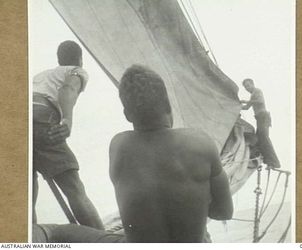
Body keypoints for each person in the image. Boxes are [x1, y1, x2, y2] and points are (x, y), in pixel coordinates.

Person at [32, 65, 233, 243]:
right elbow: (224, 211)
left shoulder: (119, 145)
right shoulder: (201, 142)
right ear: (168, 106)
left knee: (56, 232)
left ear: (127, 115)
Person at [32, 40, 104, 230]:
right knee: (74, 189)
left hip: (15, 120)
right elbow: (68, 88)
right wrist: (67, 120)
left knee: (26, 195)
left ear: (58, 60)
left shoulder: (41, 76)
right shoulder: (76, 71)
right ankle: (105, 242)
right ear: (80, 60)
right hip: (40, 117)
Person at [240, 78, 281, 169]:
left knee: (264, 138)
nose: (247, 88)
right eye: (245, 87)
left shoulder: (257, 91)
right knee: (259, 139)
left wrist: (246, 101)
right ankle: (267, 161)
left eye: (248, 85)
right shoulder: (252, 96)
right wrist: (237, 105)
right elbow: (246, 107)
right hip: (259, 119)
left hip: (263, 117)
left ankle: (275, 162)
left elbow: (260, 101)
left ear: (252, 84)